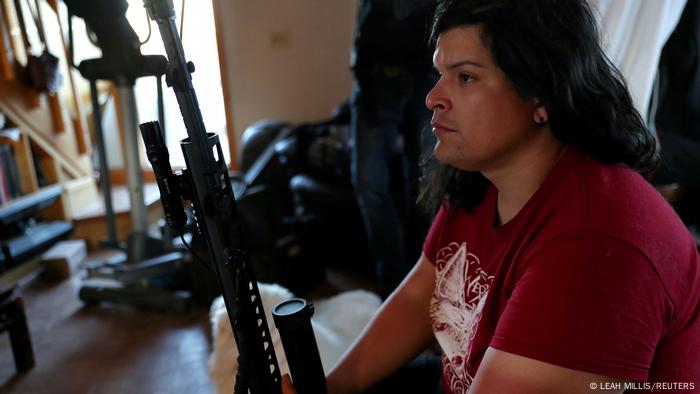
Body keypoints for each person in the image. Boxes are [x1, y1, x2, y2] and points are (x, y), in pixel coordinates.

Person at [283, 0, 700, 393]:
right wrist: (329, 388)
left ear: (540, 93)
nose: (433, 98)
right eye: (440, 74)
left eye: (465, 77)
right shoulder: (482, 178)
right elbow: (419, 296)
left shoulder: (596, 241)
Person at [349, 0, 437, 298]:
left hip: (426, 78)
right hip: (374, 80)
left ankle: (421, 273)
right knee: (368, 182)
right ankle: (394, 283)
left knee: (427, 184)